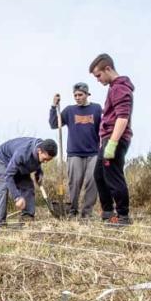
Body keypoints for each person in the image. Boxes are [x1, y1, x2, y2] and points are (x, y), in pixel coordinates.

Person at [89, 53, 134, 225]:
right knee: (99, 175)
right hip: (108, 139)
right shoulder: (114, 88)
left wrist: (112, 144)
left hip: (115, 139)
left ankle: (123, 216)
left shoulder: (120, 88)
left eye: (98, 75)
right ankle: (108, 213)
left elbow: (122, 118)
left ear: (108, 69)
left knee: (113, 176)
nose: (98, 80)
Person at [49, 82, 102, 218]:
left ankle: (86, 214)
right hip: (74, 153)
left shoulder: (96, 109)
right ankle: (73, 211)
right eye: (75, 95)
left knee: (92, 182)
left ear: (87, 95)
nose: (77, 97)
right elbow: (54, 124)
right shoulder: (69, 110)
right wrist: (53, 106)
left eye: (80, 95)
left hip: (93, 153)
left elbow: (103, 129)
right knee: (75, 183)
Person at [0, 138, 57, 227]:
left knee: (28, 187)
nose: (45, 162)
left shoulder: (42, 147)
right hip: (3, 160)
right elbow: (8, 176)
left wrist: (39, 173)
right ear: (39, 151)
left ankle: (27, 218)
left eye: (48, 160)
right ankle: (0, 224)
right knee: (2, 189)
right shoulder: (22, 153)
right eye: (45, 159)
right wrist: (17, 197)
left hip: (19, 163)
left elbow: (37, 162)